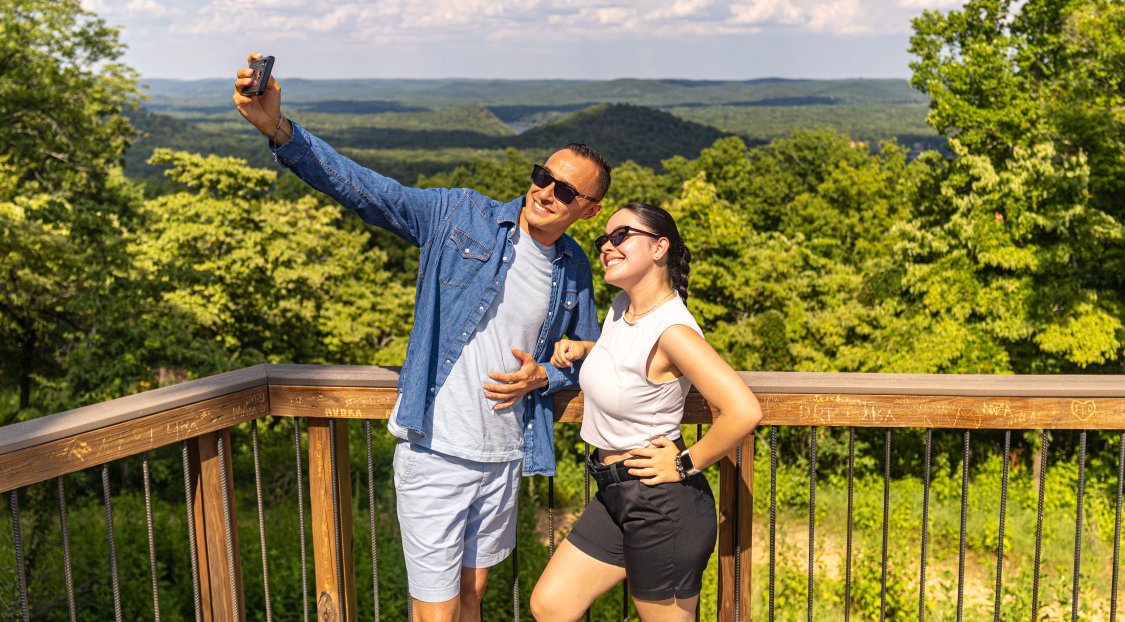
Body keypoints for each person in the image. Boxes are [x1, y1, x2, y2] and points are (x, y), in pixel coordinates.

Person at [232, 53, 609, 622]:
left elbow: (588, 357)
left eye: (565, 190)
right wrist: (278, 130)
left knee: (472, 597)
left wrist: (546, 376)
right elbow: (366, 189)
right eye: (542, 175)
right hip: (436, 449)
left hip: (505, 454)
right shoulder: (460, 215)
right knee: (434, 612)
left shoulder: (575, 268)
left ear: (589, 210)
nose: (546, 192)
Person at [530, 203, 762, 622]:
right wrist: (585, 350)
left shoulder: (673, 330)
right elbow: (629, 364)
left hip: (661, 504)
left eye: (621, 236)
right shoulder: (623, 308)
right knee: (551, 605)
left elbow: (743, 410)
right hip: (614, 491)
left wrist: (684, 462)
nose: (606, 246)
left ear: (659, 248)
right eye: (604, 239)